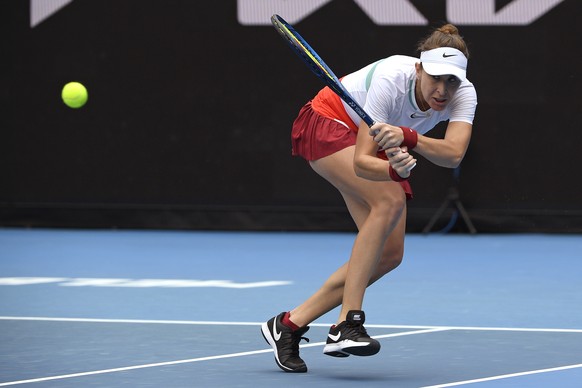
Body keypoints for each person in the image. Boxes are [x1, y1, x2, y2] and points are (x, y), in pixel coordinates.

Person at [261, 23, 477, 373]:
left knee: (389, 255)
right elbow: (363, 162)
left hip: (368, 142)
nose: (442, 90)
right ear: (419, 68)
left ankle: (287, 325)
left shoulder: (464, 94)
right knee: (389, 200)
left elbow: (453, 154)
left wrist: (408, 137)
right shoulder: (392, 78)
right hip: (326, 123)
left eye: (451, 81)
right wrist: (395, 172)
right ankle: (348, 323)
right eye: (435, 77)